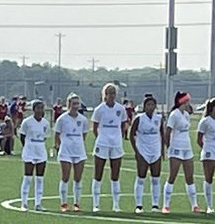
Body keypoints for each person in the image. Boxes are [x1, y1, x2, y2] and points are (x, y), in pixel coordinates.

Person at [90, 82, 128, 213]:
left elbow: (124, 125)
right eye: (109, 93)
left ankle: (116, 204)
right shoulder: (99, 109)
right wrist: (102, 138)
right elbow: (94, 128)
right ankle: (96, 204)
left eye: (113, 93)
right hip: (102, 143)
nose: (111, 96)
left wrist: (118, 137)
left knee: (115, 174)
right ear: (104, 95)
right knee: (98, 174)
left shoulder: (120, 109)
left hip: (116, 144)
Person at [163, 91, 200, 213]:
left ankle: (194, 205)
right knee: (172, 176)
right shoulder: (174, 115)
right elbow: (167, 132)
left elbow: (191, 111)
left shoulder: (185, 114)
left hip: (187, 148)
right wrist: (168, 148)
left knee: (189, 176)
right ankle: (166, 205)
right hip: (176, 148)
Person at [53, 93, 89, 212]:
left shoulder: (83, 119)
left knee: (78, 178)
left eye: (77, 104)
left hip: (79, 151)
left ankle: (77, 203)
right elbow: (57, 135)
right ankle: (64, 203)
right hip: (66, 151)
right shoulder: (62, 119)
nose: (76, 106)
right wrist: (59, 146)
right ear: (68, 104)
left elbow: (84, 135)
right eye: (74, 104)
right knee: (65, 177)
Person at [130, 93, 165, 213]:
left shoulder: (158, 118)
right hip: (143, 150)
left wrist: (162, 151)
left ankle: (155, 204)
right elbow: (131, 134)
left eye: (152, 105)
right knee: (141, 177)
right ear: (144, 107)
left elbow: (162, 134)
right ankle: (138, 205)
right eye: (148, 105)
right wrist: (136, 151)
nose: (150, 107)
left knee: (156, 178)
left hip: (155, 151)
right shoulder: (139, 118)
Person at [18, 99, 49, 212]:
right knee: (27, 177)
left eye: (42, 108)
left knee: (40, 178)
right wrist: (27, 146)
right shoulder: (27, 122)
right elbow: (22, 136)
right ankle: (24, 203)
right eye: (38, 108)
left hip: (41, 150)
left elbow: (45, 136)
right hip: (29, 150)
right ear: (33, 109)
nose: (40, 110)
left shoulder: (45, 123)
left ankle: (38, 203)